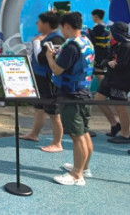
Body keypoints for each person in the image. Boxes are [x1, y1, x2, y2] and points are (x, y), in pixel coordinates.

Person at [46, 12, 95, 186]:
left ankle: (76, 175)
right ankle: (84, 167)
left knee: (76, 136)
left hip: (72, 96)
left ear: (67, 26)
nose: (61, 31)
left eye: (62, 27)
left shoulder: (71, 47)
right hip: (84, 93)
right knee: (84, 132)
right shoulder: (86, 41)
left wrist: (49, 57)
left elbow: (57, 70)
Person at [20, 11, 66, 153]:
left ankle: (57, 142)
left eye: (39, 21)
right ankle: (34, 134)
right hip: (39, 78)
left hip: (48, 80)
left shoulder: (55, 39)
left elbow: (41, 59)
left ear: (46, 24)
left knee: (53, 112)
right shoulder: (47, 38)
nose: (37, 24)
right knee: (39, 108)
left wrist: (36, 42)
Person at [95, 22, 130, 143]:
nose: (109, 33)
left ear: (116, 33)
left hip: (121, 81)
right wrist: (108, 63)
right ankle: (115, 125)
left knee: (120, 107)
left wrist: (109, 64)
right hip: (110, 79)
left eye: (111, 31)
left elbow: (123, 66)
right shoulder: (116, 45)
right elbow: (106, 59)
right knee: (98, 100)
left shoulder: (127, 46)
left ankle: (126, 134)